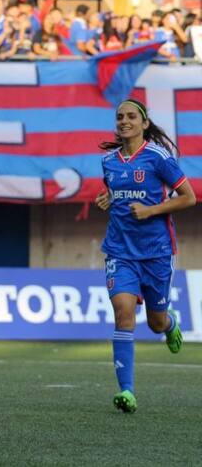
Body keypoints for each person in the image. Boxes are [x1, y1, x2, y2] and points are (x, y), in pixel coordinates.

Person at [94, 99, 195, 413]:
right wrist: (109, 198)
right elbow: (118, 189)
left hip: (156, 252)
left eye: (131, 116)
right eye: (120, 117)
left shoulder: (158, 157)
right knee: (123, 313)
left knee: (154, 321)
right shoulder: (109, 160)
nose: (124, 121)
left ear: (145, 123)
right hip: (119, 250)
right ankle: (127, 392)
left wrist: (151, 210)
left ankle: (169, 324)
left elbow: (189, 198)